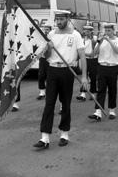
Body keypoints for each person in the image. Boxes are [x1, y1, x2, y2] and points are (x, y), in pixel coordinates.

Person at [33, 10, 88, 150]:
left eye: (62, 19)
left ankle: (64, 134)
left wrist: (84, 77)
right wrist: (48, 48)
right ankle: (44, 138)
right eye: (57, 19)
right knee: (49, 103)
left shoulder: (75, 35)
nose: (59, 22)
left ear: (68, 19)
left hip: (67, 70)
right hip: (52, 70)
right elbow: (47, 55)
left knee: (66, 103)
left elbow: (82, 56)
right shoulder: (51, 34)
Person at [88, 24, 118, 121]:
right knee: (101, 89)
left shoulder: (117, 40)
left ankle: (112, 110)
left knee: (112, 89)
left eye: (109, 30)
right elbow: (94, 53)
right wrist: (99, 43)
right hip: (102, 66)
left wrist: (109, 41)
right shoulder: (101, 40)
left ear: (113, 31)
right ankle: (98, 112)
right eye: (106, 30)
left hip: (112, 67)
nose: (107, 32)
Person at [76, 25, 98, 101]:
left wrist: (83, 54)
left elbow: (93, 53)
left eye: (88, 31)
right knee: (84, 76)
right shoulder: (82, 39)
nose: (86, 32)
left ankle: (92, 93)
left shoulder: (94, 39)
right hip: (85, 59)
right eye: (85, 31)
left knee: (93, 77)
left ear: (91, 32)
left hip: (93, 60)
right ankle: (83, 94)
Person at [37, 24, 52, 100]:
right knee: (41, 75)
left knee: (50, 77)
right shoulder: (41, 39)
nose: (45, 31)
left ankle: (50, 92)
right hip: (42, 59)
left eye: (47, 29)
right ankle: (42, 92)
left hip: (50, 59)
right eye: (44, 29)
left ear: (50, 30)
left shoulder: (52, 38)